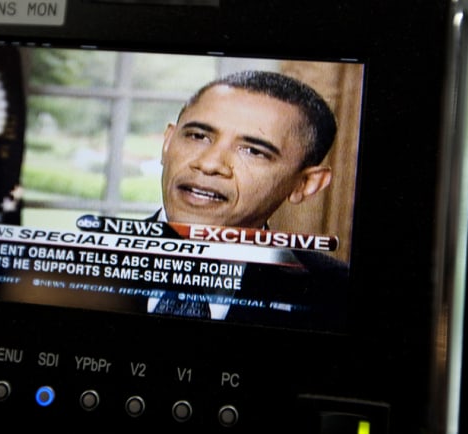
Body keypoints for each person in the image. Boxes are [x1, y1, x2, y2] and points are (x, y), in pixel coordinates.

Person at [147, 70, 350, 326]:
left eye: (253, 151)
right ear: (167, 143)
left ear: (305, 184)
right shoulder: (84, 259)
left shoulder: (338, 294)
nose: (209, 164)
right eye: (198, 136)